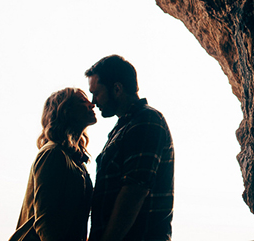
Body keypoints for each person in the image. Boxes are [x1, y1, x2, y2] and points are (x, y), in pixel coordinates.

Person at [86, 54, 174, 241]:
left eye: (96, 93)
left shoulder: (146, 121)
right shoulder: (125, 127)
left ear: (117, 89)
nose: (93, 101)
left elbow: (134, 190)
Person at [9, 88, 97, 241]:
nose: (92, 104)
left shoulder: (76, 161)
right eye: (83, 101)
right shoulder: (53, 153)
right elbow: (45, 221)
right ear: (65, 111)